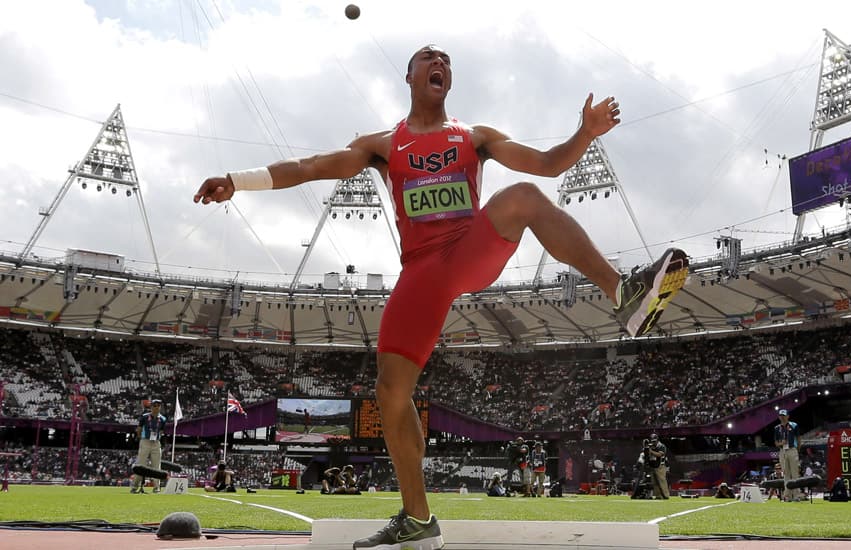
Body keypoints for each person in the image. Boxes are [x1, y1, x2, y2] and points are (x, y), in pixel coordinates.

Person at [193, 44, 689, 550]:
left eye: (447, 60)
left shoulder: (476, 137)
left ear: (448, 79)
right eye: (429, 58)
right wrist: (238, 180)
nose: (440, 63)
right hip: (422, 273)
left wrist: (585, 133)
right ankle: (417, 520)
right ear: (409, 76)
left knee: (521, 197)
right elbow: (311, 166)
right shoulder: (382, 145)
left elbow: (547, 164)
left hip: (469, 248)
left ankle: (622, 293)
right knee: (390, 391)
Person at [131, 399, 166, 494]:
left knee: (156, 465)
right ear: (151, 407)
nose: (156, 407)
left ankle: (157, 487)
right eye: (154, 405)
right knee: (140, 464)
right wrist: (141, 438)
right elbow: (139, 429)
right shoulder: (145, 417)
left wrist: (157, 438)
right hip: (145, 441)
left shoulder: (163, 419)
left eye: (158, 405)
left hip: (156, 442)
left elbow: (162, 431)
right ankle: (134, 486)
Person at [774, 409, 801, 502]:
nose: (782, 417)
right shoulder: (777, 428)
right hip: (783, 451)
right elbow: (776, 443)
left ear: (788, 416)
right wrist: (781, 443)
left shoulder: (794, 425)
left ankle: (797, 496)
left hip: (792, 449)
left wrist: (797, 450)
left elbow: (798, 438)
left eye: (784, 415)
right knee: (786, 474)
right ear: (779, 417)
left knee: (795, 473)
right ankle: (787, 496)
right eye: (781, 415)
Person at [645, 434, 669, 499]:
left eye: (654, 441)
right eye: (652, 441)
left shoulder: (661, 446)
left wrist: (651, 451)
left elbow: (660, 454)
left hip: (660, 466)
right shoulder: (651, 446)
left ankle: (665, 495)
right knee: (655, 482)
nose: (653, 442)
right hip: (653, 465)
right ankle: (658, 495)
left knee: (662, 481)